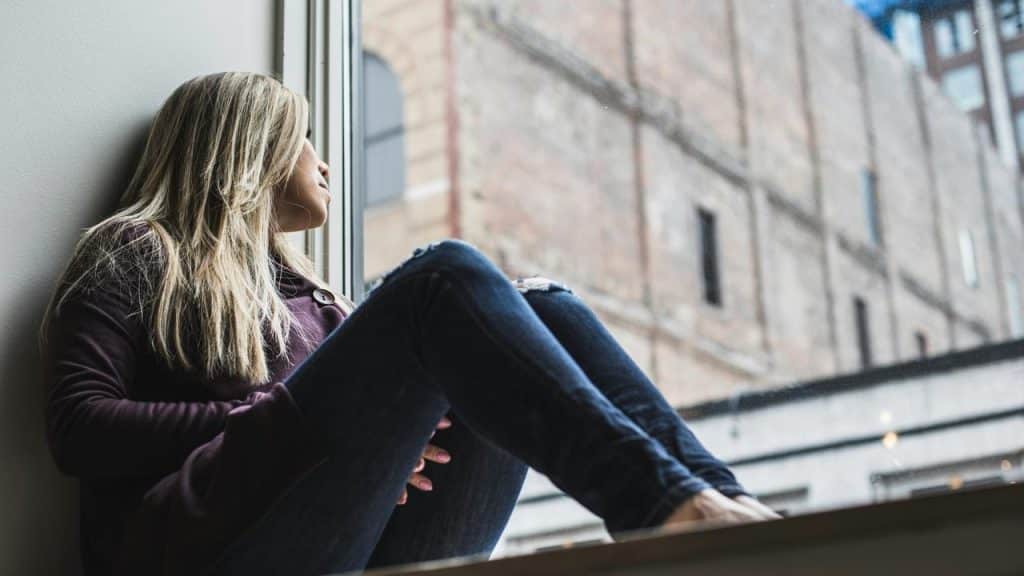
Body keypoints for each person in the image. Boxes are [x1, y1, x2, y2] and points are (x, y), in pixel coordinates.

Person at [38, 71, 778, 576]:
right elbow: (80, 427)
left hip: (352, 547)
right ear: (246, 144)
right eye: (305, 139)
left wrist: (383, 445)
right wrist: (267, 422)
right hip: (200, 549)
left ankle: (722, 508)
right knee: (440, 276)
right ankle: (667, 504)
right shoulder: (139, 251)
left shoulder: (318, 299)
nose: (324, 165)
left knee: (542, 302)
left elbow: (339, 440)